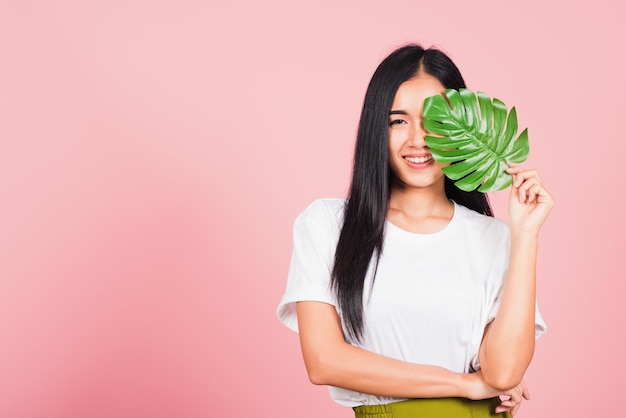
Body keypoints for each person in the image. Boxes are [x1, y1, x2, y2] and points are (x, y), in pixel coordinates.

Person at [276, 43, 554, 418]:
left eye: (435, 121)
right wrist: (464, 384)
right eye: (398, 120)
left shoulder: (495, 238)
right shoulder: (327, 225)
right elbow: (325, 361)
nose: (418, 140)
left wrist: (525, 235)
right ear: (378, 127)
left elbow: (503, 372)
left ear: (462, 130)